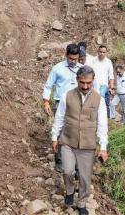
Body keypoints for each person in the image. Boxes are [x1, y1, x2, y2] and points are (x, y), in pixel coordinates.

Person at [51, 66, 108, 215]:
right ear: (77, 80)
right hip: (68, 142)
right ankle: (69, 192)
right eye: (82, 82)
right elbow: (60, 117)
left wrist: (103, 147)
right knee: (68, 170)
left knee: (84, 177)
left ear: (93, 81)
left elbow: (102, 124)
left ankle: (82, 203)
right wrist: (54, 137)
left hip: (87, 146)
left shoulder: (99, 100)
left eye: (88, 83)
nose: (85, 86)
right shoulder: (67, 96)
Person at [42, 43, 82, 172]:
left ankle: (75, 163)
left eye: (75, 59)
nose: (73, 61)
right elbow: (48, 86)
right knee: (60, 132)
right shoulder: (57, 68)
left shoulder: (82, 69)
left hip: (78, 104)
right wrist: (46, 101)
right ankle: (59, 161)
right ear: (66, 55)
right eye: (71, 58)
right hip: (61, 104)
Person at [90, 45, 115, 118]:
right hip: (94, 85)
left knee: (101, 99)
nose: (102, 53)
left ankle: (104, 118)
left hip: (104, 85)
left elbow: (111, 75)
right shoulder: (93, 60)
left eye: (104, 52)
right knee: (103, 102)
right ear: (98, 52)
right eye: (100, 52)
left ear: (106, 53)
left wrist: (112, 87)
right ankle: (100, 117)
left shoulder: (108, 62)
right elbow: (90, 73)